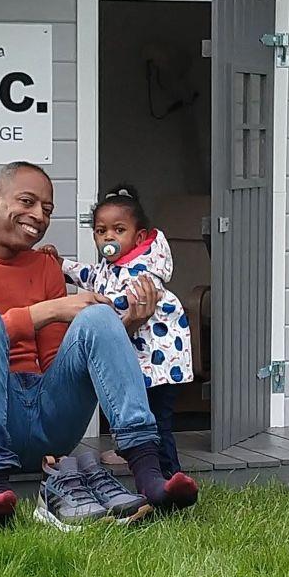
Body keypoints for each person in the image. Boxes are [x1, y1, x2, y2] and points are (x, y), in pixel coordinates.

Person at [0, 161, 201, 529]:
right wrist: (48, 310)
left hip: (44, 420)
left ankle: (149, 475)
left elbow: (57, 363)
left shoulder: (45, 266)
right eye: (27, 202)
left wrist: (122, 326)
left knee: (98, 317)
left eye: (47, 209)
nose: (39, 216)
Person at [60, 183, 193, 476]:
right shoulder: (112, 266)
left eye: (118, 230)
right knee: (132, 410)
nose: (108, 236)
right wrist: (60, 265)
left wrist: (91, 309)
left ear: (139, 236)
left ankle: (170, 475)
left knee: (156, 422)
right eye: (101, 231)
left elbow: (122, 303)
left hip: (159, 365)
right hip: (139, 362)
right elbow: (90, 275)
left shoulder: (143, 269)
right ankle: (132, 453)